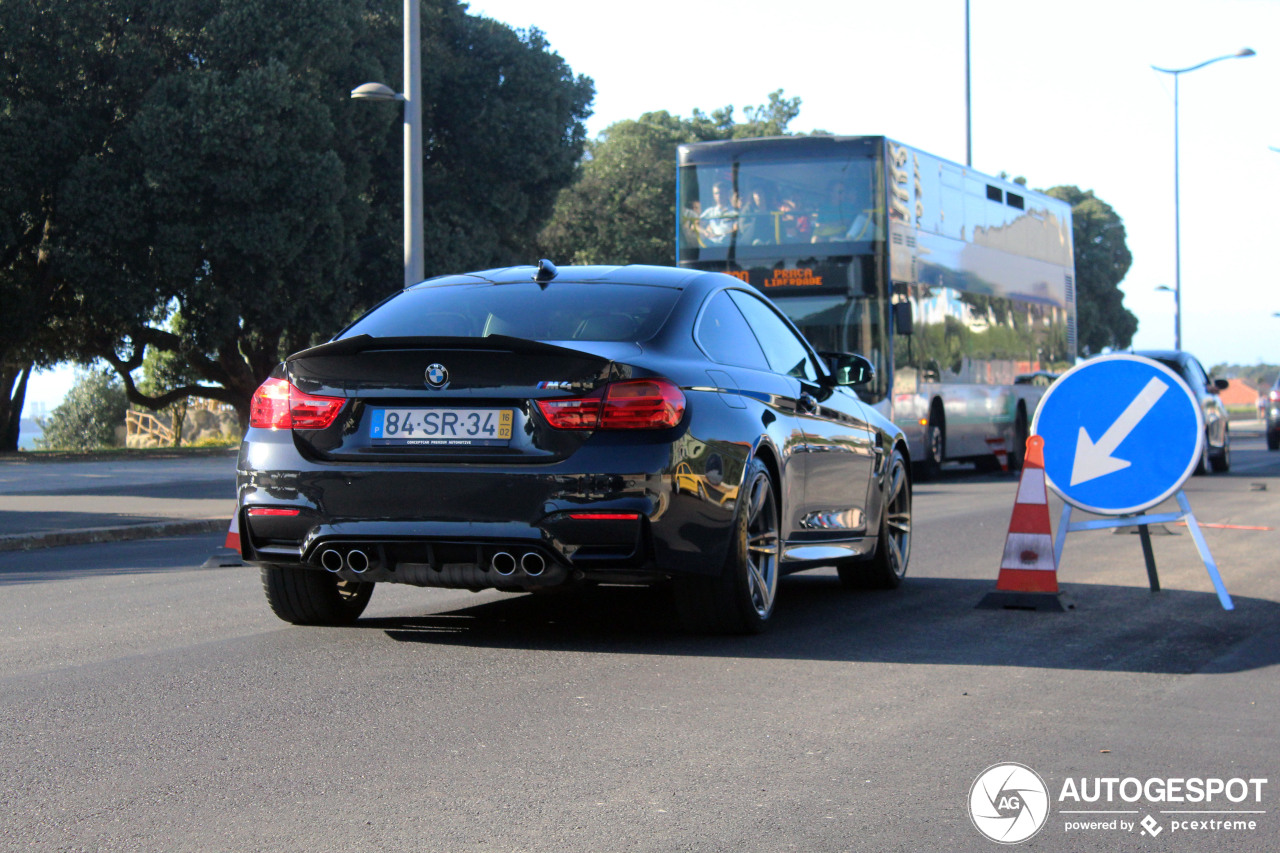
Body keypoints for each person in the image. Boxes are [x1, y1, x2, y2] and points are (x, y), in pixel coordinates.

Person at [698, 181, 739, 246]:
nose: (719, 196)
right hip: (711, 245)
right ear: (713, 195)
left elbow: (735, 229)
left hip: (727, 245)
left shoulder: (734, 212)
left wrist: (719, 235)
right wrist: (705, 232)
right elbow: (695, 225)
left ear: (726, 194)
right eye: (716, 193)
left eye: (721, 193)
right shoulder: (710, 211)